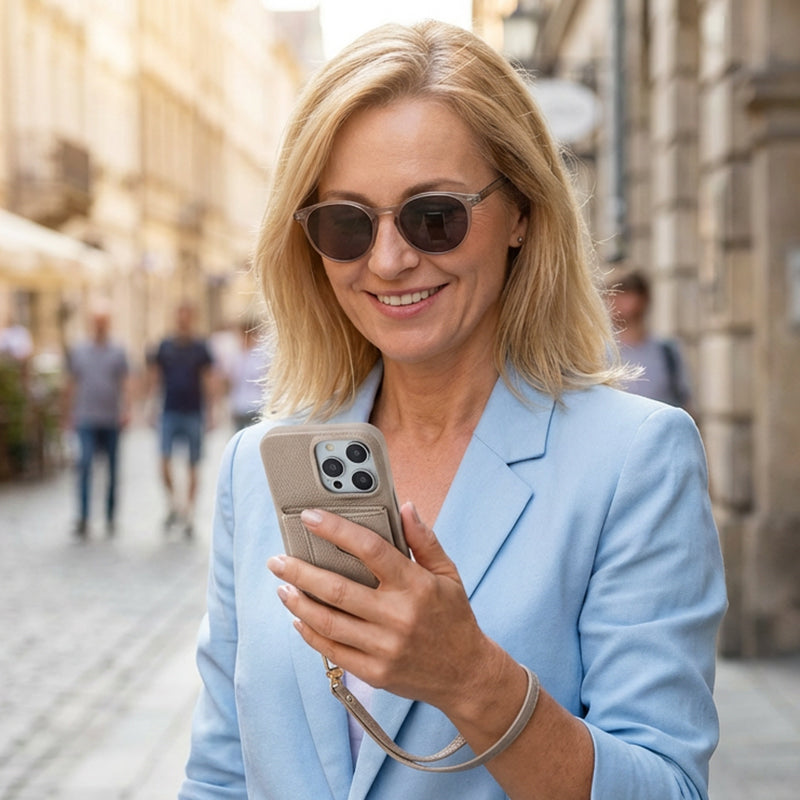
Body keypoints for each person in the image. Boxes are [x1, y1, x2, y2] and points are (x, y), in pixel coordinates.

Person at [179, 21, 726, 800]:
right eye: (347, 223)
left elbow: (668, 788)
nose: (390, 259)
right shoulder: (261, 464)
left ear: (523, 211)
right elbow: (221, 774)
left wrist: (471, 678)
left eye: (434, 215)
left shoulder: (635, 459)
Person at [64, 302, 130, 538]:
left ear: (108, 324)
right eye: (96, 322)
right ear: (91, 324)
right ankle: (83, 517)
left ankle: (110, 516)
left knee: (112, 469)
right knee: (84, 465)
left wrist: (126, 410)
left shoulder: (118, 350)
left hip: (111, 418)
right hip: (85, 417)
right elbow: (71, 383)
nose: (100, 326)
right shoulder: (79, 350)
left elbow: (125, 383)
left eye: (104, 322)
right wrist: (67, 413)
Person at [149, 303, 214, 538]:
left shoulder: (200, 347)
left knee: (193, 464)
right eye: (180, 317)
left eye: (187, 317)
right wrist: (150, 406)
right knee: (164, 462)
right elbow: (156, 377)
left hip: (194, 412)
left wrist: (211, 411)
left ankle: (188, 512)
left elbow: (207, 378)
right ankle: (174, 503)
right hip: (169, 410)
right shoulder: (164, 347)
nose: (183, 321)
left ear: (192, 319)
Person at [606, 267, 693, 410]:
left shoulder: (667, 351)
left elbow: (684, 402)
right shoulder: (596, 354)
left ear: (643, 299)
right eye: (611, 295)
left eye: (624, 294)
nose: (616, 302)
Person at [224, 316, 270, 431]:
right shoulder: (235, 356)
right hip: (239, 406)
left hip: (256, 407)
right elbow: (230, 382)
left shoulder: (261, 355)